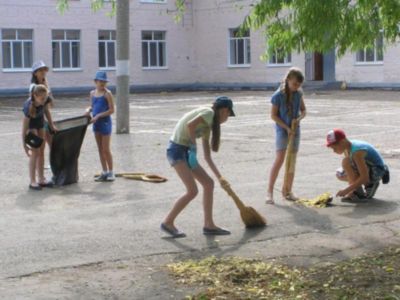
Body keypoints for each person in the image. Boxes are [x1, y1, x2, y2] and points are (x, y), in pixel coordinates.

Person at [161, 96, 235, 238]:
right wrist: (193, 147)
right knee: (192, 191)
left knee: (209, 183)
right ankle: (167, 222)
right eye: (228, 115)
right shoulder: (209, 113)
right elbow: (190, 125)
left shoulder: (209, 124)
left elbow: (207, 157)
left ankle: (209, 224)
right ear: (224, 110)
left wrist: (220, 178)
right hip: (177, 150)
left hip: (186, 151)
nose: (227, 118)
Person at [266, 67, 306, 204]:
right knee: (280, 159)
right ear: (288, 80)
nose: (296, 87)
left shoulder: (299, 94)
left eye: (299, 85)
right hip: (282, 130)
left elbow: (304, 111)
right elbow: (273, 115)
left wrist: (298, 120)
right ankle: (269, 192)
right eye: (294, 84)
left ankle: (287, 190)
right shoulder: (278, 95)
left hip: (295, 130)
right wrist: (286, 127)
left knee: (291, 161)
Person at [326, 128, 389, 201]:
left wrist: (346, 190)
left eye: (334, 148)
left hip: (377, 171)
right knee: (339, 173)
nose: (334, 151)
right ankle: (358, 191)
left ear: (342, 142)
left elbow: (364, 177)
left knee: (346, 162)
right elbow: (351, 173)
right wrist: (350, 191)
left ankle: (367, 186)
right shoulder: (347, 148)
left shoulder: (357, 152)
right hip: (370, 169)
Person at [22, 84, 56, 190]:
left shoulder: (44, 100)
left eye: (45, 98)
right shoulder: (28, 107)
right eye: (42, 99)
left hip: (41, 124)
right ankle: (32, 181)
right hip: (31, 127)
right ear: (35, 96)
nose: (44, 100)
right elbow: (24, 128)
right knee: (35, 152)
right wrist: (24, 145)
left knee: (41, 151)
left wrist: (51, 124)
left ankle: (41, 179)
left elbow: (46, 111)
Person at [86, 71, 115, 182]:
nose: (102, 83)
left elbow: (112, 110)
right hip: (96, 123)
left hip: (105, 123)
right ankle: (104, 171)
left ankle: (111, 172)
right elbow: (92, 106)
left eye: (104, 82)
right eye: (100, 81)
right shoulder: (92, 93)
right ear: (95, 82)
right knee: (99, 149)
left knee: (106, 149)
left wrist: (98, 115)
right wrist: (88, 110)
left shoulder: (108, 94)